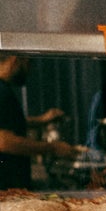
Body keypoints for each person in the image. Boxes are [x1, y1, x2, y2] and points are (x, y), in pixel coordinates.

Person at [0, 55, 78, 186]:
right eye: (29, 63)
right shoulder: (2, 92)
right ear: (15, 60)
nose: (30, 69)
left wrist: (41, 120)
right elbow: (4, 141)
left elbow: (7, 122)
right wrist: (52, 148)